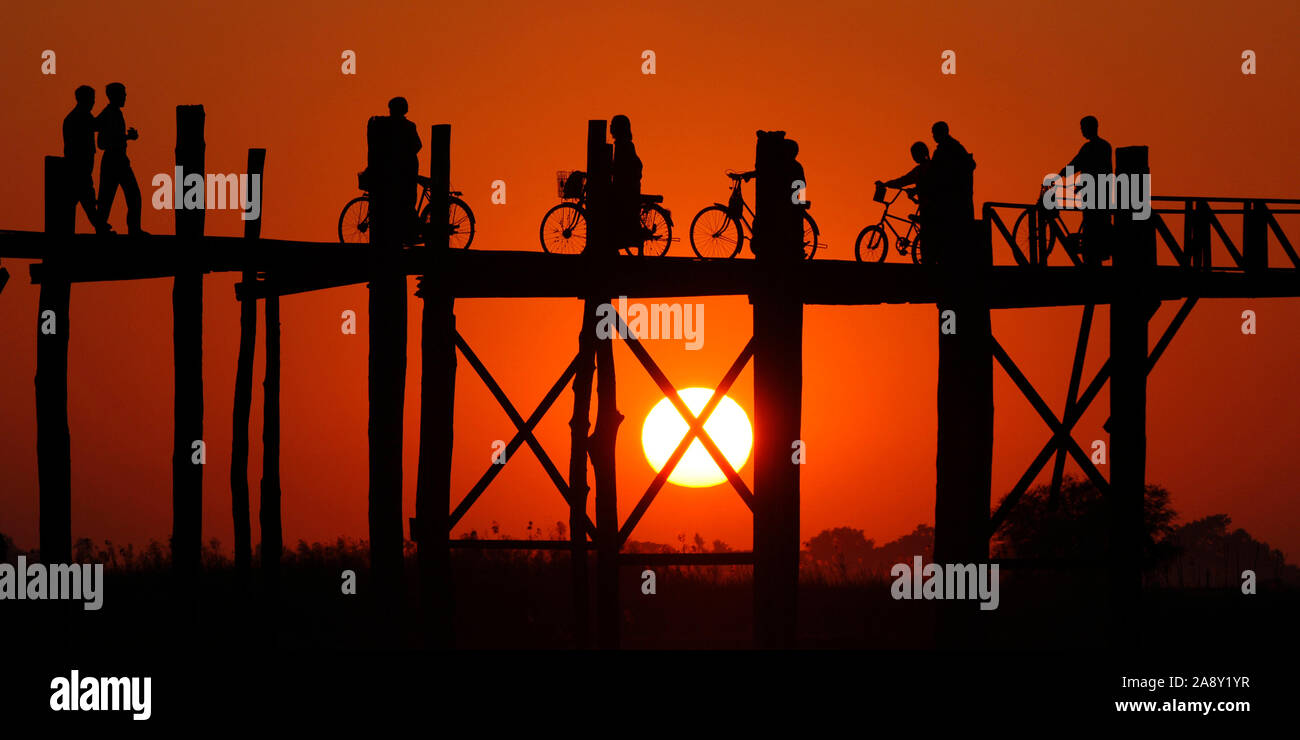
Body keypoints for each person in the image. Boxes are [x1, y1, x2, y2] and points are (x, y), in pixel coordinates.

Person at [366, 96, 422, 244]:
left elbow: (415, 146)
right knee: (405, 202)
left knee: (404, 202)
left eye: (391, 109)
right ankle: (407, 233)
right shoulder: (408, 125)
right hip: (407, 169)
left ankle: (412, 232)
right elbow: (418, 145)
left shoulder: (394, 126)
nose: (390, 112)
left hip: (405, 171)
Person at [1058, 115, 1112, 264]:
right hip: (1105, 194)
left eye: (1083, 128)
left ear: (1090, 128)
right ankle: (1099, 254)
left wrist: (1061, 174)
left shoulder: (1089, 148)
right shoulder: (1105, 146)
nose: (1082, 131)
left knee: (1091, 226)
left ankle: (1091, 257)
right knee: (1102, 225)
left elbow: (1077, 164)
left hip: (1092, 195)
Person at [96, 82, 146, 235]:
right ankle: (103, 230)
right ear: (115, 96)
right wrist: (126, 137)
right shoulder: (108, 114)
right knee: (109, 198)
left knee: (131, 196)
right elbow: (102, 143)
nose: (125, 96)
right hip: (113, 161)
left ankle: (133, 229)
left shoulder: (115, 113)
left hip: (120, 160)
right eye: (123, 94)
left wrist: (126, 137)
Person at [63, 85, 110, 234]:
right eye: (91, 99)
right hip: (80, 166)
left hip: (78, 165)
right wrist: (109, 110)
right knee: (86, 196)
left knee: (80, 198)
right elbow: (98, 125)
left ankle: (100, 226)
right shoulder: (81, 117)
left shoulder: (75, 117)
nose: (93, 102)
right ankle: (100, 227)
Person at [927, 121, 976, 264]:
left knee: (948, 230)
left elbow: (935, 173)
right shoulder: (955, 147)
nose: (933, 136)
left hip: (952, 198)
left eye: (934, 133)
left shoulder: (947, 150)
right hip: (958, 197)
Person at [610, 114, 642, 254]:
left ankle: (618, 241)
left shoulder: (623, 145)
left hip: (627, 187)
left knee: (615, 209)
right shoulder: (624, 144)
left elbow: (620, 166)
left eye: (613, 125)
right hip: (628, 185)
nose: (610, 128)